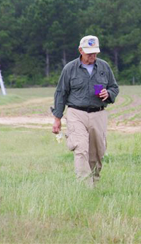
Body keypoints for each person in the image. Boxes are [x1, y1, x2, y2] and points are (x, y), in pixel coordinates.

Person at [52, 35, 119, 188]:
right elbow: (61, 93)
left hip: (98, 113)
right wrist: (57, 119)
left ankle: (95, 182)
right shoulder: (69, 69)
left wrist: (108, 94)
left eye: (95, 53)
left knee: (97, 152)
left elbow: (114, 87)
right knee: (81, 148)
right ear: (80, 50)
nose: (92, 56)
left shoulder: (104, 67)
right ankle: (84, 187)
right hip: (76, 113)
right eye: (89, 53)